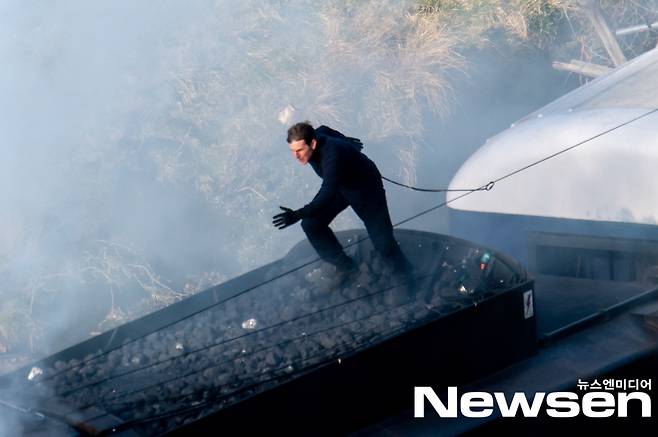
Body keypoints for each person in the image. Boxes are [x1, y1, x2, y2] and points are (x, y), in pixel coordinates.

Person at [272, 121, 411, 286]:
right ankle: (348, 268)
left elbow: (327, 192)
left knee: (383, 242)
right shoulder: (317, 135)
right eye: (293, 151)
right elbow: (324, 129)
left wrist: (297, 214)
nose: (296, 156)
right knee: (311, 224)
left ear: (313, 144)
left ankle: (405, 275)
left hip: (365, 189)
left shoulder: (332, 154)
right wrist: (347, 141)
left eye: (300, 150)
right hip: (341, 186)